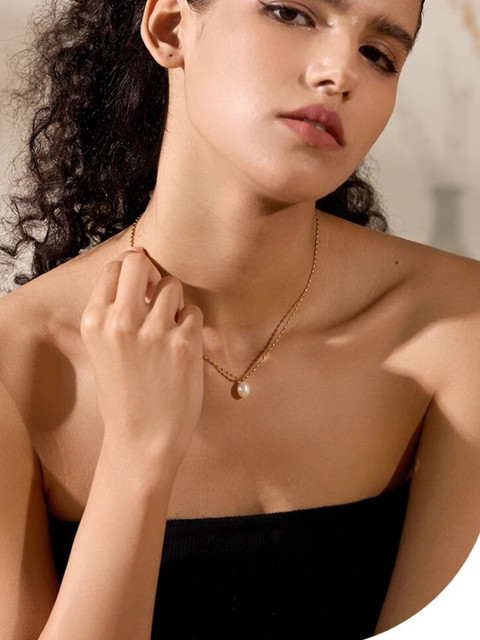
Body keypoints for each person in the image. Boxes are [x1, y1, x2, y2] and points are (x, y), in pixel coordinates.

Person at [1, 0, 479, 638]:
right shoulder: (16, 363)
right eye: (290, 13)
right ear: (171, 28)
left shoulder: (459, 326)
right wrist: (138, 456)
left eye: (378, 54)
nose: (341, 72)